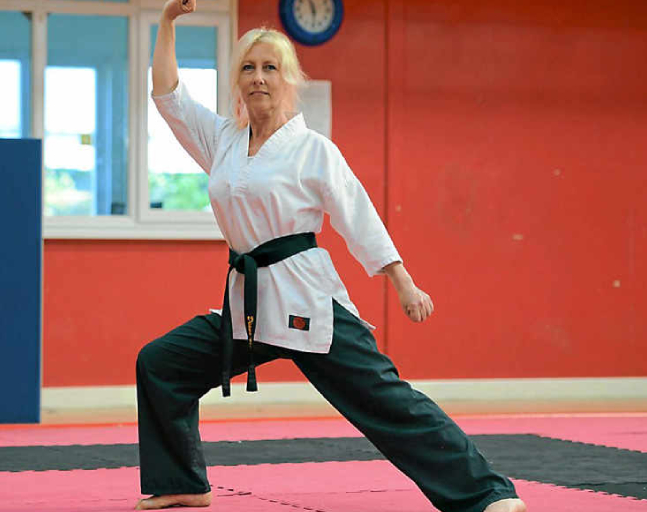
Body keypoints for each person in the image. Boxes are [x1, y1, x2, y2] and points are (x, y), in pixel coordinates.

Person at [135, 1, 528, 511]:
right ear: (237, 80)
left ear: (289, 79)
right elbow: (168, 96)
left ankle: (488, 495)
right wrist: (166, 23)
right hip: (248, 306)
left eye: (270, 68)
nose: (258, 78)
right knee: (162, 363)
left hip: (307, 300)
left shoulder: (313, 150)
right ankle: (181, 483)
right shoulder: (223, 141)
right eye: (248, 68)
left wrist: (403, 282)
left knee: (387, 402)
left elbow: (357, 217)